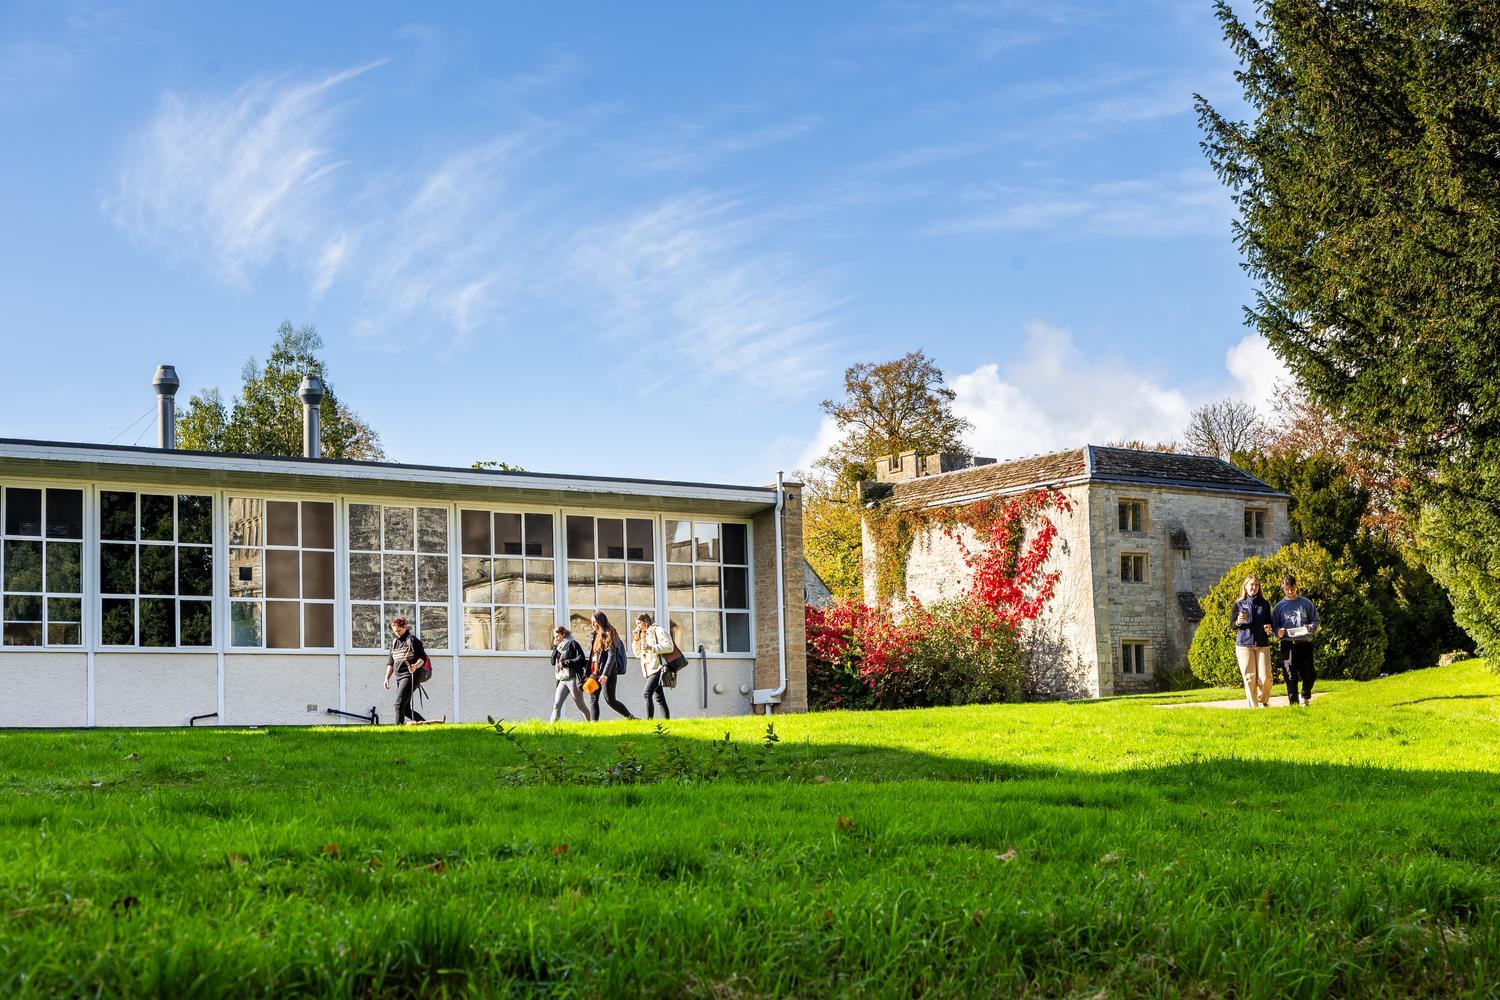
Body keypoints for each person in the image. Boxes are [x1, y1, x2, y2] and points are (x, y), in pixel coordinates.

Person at [1273, 574, 1321, 707]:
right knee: (1290, 676)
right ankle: (1293, 704)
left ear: (1296, 586)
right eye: (1287, 588)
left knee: (1310, 674)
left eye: (1292, 587)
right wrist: (1278, 632)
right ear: (1283, 588)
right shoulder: (1279, 607)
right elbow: (1275, 626)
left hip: (1305, 643)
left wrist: (1310, 628)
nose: (1290, 591)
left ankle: (1305, 696)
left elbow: (1316, 620)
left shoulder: (1306, 603)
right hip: (1288, 645)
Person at [1230, 574, 1275, 708]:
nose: (1254, 587)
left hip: (1262, 644)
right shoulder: (1238, 604)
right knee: (1249, 678)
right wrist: (1238, 622)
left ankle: (1263, 700)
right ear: (1245, 586)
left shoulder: (1265, 604)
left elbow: (1269, 622)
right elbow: (1232, 625)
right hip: (1244, 645)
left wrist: (1269, 627)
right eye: (1251, 585)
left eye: (1256, 585)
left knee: (1266, 678)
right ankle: (1254, 708)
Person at [383, 616, 434, 725]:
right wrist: (386, 678)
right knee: (405, 709)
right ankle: (426, 725)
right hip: (399, 678)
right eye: (395, 631)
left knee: (398, 704)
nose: (397, 633)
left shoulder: (412, 640)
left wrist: (415, 666)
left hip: (410, 676)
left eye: (399, 630)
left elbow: (422, 658)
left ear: (405, 627)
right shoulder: (394, 643)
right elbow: (390, 662)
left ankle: (399, 730)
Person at [588, 611, 636, 720]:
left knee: (610, 699)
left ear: (601, 621)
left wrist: (605, 674)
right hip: (595, 672)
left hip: (608, 672)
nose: (593, 624)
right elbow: (594, 656)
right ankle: (593, 724)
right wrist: (590, 673)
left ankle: (629, 717)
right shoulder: (595, 635)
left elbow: (611, 656)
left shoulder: (610, 633)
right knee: (593, 698)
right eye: (592, 622)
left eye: (595, 622)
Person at [631, 612, 672, 720]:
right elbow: (638, 654)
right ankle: (667, 722)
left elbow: (669, 646)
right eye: (637, 624)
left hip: (658, 666)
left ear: (646, 621)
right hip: (649, 669)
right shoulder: (642, 635)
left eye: (639, 623)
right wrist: (636, 640)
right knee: (659, 698)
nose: (638, 626)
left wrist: (652, 647)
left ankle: (649, 721)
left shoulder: (657, 630)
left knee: (646, 693)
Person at [549, 625, 593, 723]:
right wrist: (555, 647)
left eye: (557, 636)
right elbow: (552, 662)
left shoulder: (573, 644)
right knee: (556, 705)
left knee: (580, 705)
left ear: (563, 634)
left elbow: (581, 658)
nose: (556, 639)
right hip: (562, 679)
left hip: (573, 679)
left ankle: (591, 724)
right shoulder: (558, 647)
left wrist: (566, 662)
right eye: (554, 637)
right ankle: (550, 730)